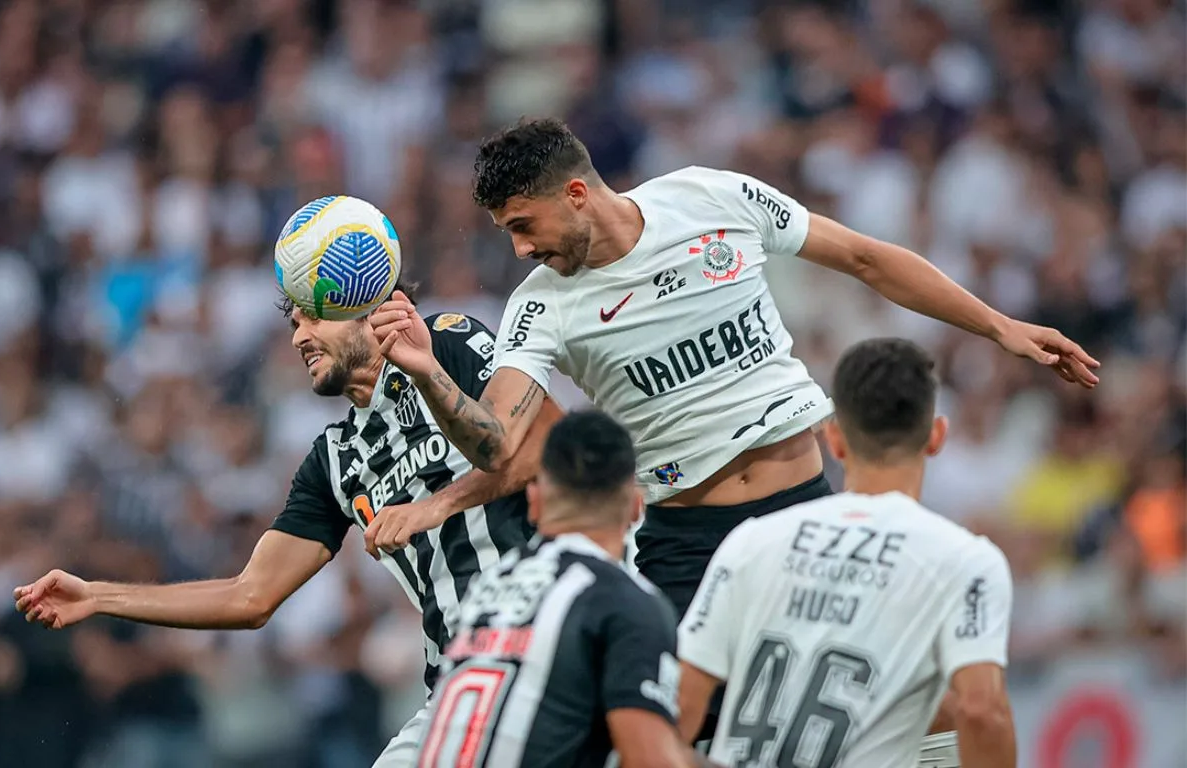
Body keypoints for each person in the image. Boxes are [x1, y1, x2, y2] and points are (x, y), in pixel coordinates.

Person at [368, 117, 1096, 737]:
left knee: (925, 700)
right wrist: (431, 375)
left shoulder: (711, 197)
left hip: (805, 507)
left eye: (524, 226)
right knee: (665, 732)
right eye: (507, 234)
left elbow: (866, 259)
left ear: (578, 194)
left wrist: (1000, 327)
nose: (521, 250)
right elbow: (500, 437)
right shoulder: (540, 306)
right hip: (686, 546)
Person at [13, 283, 563, 767]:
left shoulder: (449, 339)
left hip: (545, 639)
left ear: (368, 307)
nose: (299, 337)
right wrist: (98, 597)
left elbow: (550, 449)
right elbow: (248, 597)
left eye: (312, 317)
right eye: (294, 322)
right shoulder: (334, 459)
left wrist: (434, 504)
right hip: (456, 680)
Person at [677, 338, 1016, 768]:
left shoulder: (750, 542)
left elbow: (678, 710)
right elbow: (982, 712)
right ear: (936, 436)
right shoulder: (963, 561)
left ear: (834, 440)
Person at [416, 409, 701, 768]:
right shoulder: (623, 601)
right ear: (635, 506)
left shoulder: (485, 590)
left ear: (534, 502)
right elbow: (650, 760)